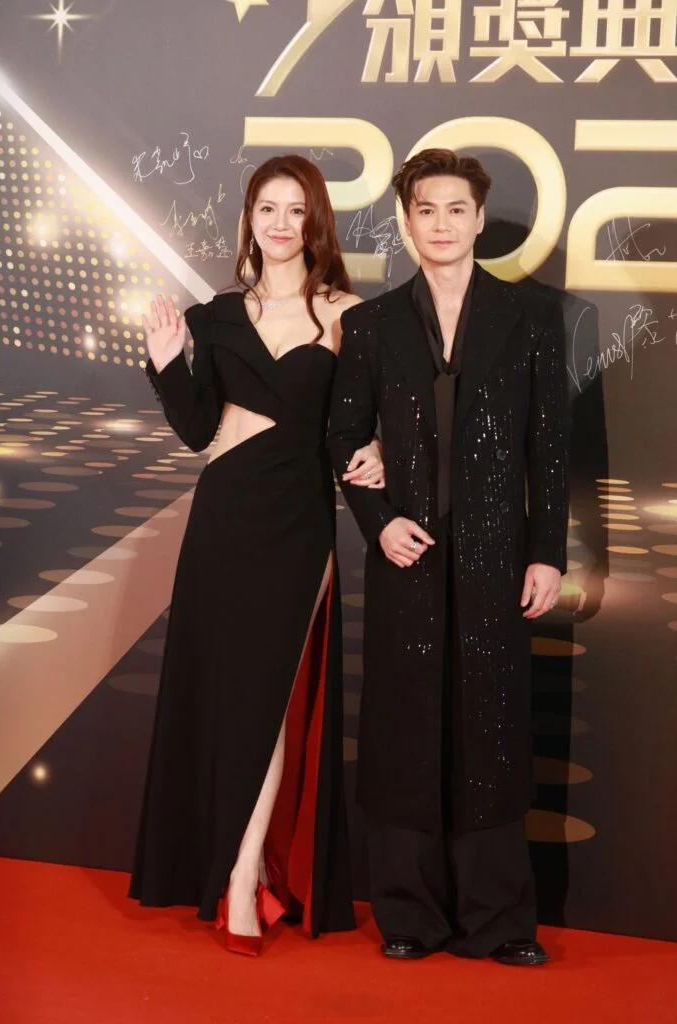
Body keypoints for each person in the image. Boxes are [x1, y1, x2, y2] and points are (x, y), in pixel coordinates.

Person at [129, 154, 384, 956]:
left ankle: (244, 875)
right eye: (266, 208)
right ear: (249, 219)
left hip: (297, 524)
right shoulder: (213, 316)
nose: (280, 223)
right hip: (223, 517)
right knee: (224, 697)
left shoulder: (348, 316)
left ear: (315, 222)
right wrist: (167, 363)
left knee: (272, 702)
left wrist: (378, 449)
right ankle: (231, 869)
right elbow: (196, 430)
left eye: (295, 209)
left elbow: (360, 423)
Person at [328, 148, 569, 966]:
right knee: (403, 730)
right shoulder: (370, 325)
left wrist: (546, 553)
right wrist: (376, 522)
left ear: (478, 218)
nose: (440, 224)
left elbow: (549, 447)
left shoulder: (530, 317)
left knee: (490, 732)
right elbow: (342, 433)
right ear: (405, 221)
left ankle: (500, 923)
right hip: (406, 558)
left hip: (498, 559)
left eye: (455, 209)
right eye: (425, 209)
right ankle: (409, 916)